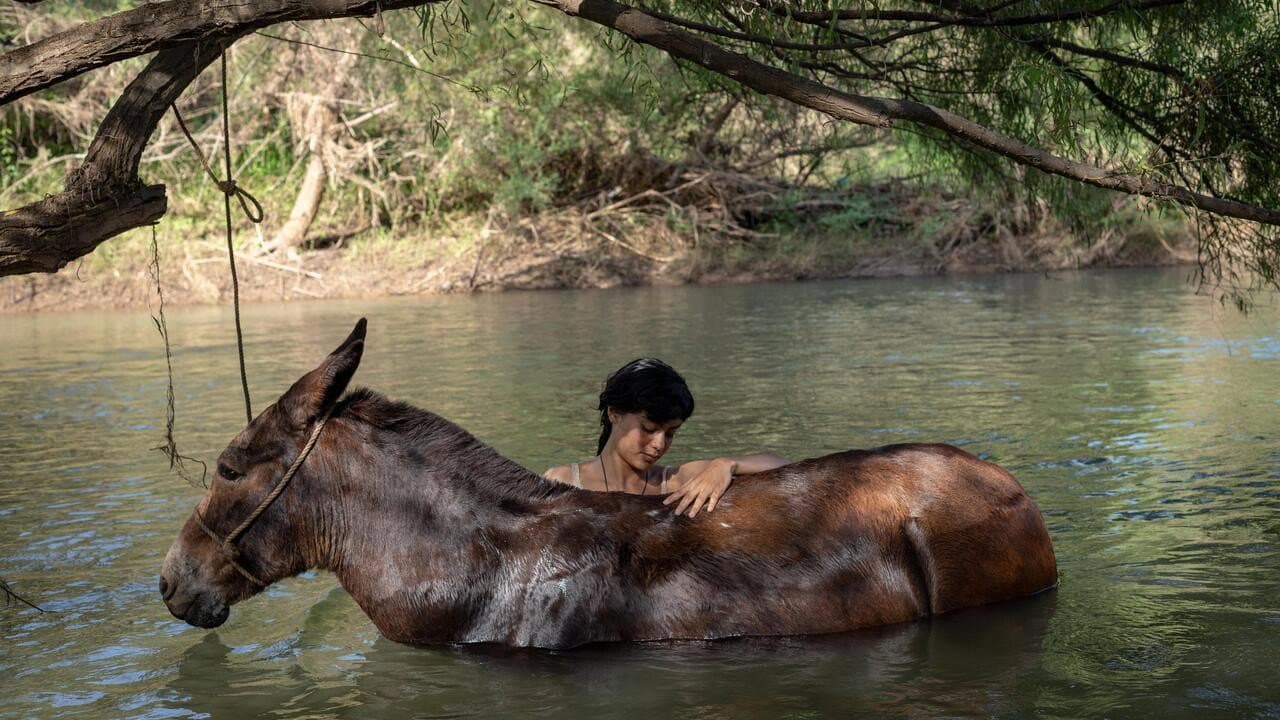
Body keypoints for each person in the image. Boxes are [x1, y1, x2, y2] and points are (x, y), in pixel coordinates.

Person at [543, 358, 788, 517]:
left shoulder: (673, 482)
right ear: (614, 413)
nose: (659, 444)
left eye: (670, 433)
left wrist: (726, 464)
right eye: (649, 429)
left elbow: (782, 465)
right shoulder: (563, 480)